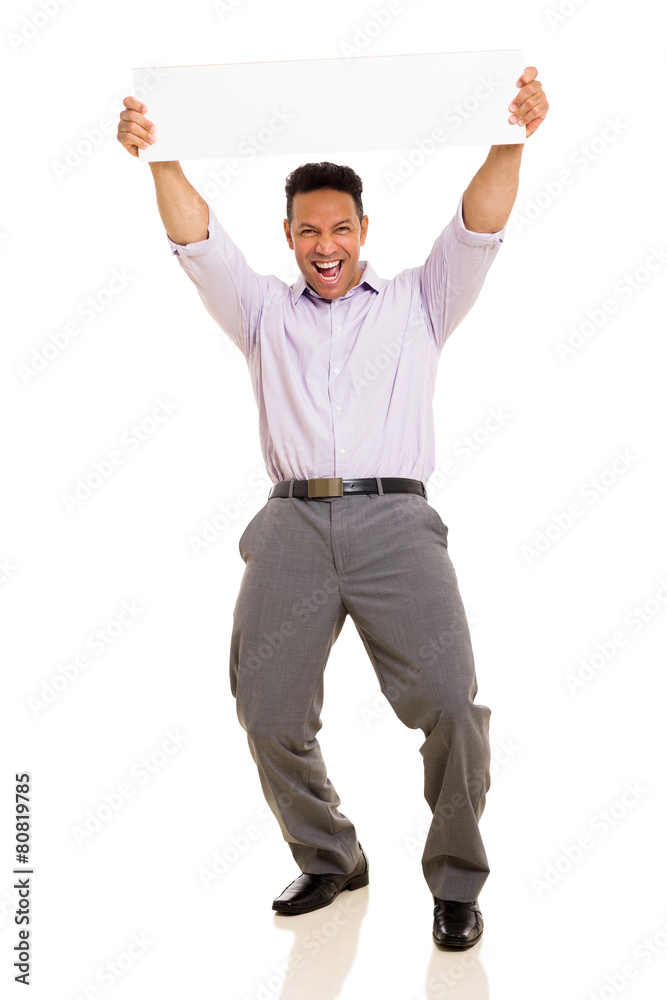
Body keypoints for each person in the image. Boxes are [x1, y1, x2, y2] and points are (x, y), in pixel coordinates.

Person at [116, 66, 548, 950]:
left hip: (397, 524)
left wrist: (511, 135)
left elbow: (480, 223)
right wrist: (155, 153)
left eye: (339, 228)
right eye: (307, 230)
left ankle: (456, 880)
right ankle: (329, 856)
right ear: (287, 235)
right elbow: (198, 239)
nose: (325, 244)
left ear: (362, 232)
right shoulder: (261, 312)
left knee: (451, 708)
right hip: (291, 524)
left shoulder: (420, 303)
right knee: (266, 710)